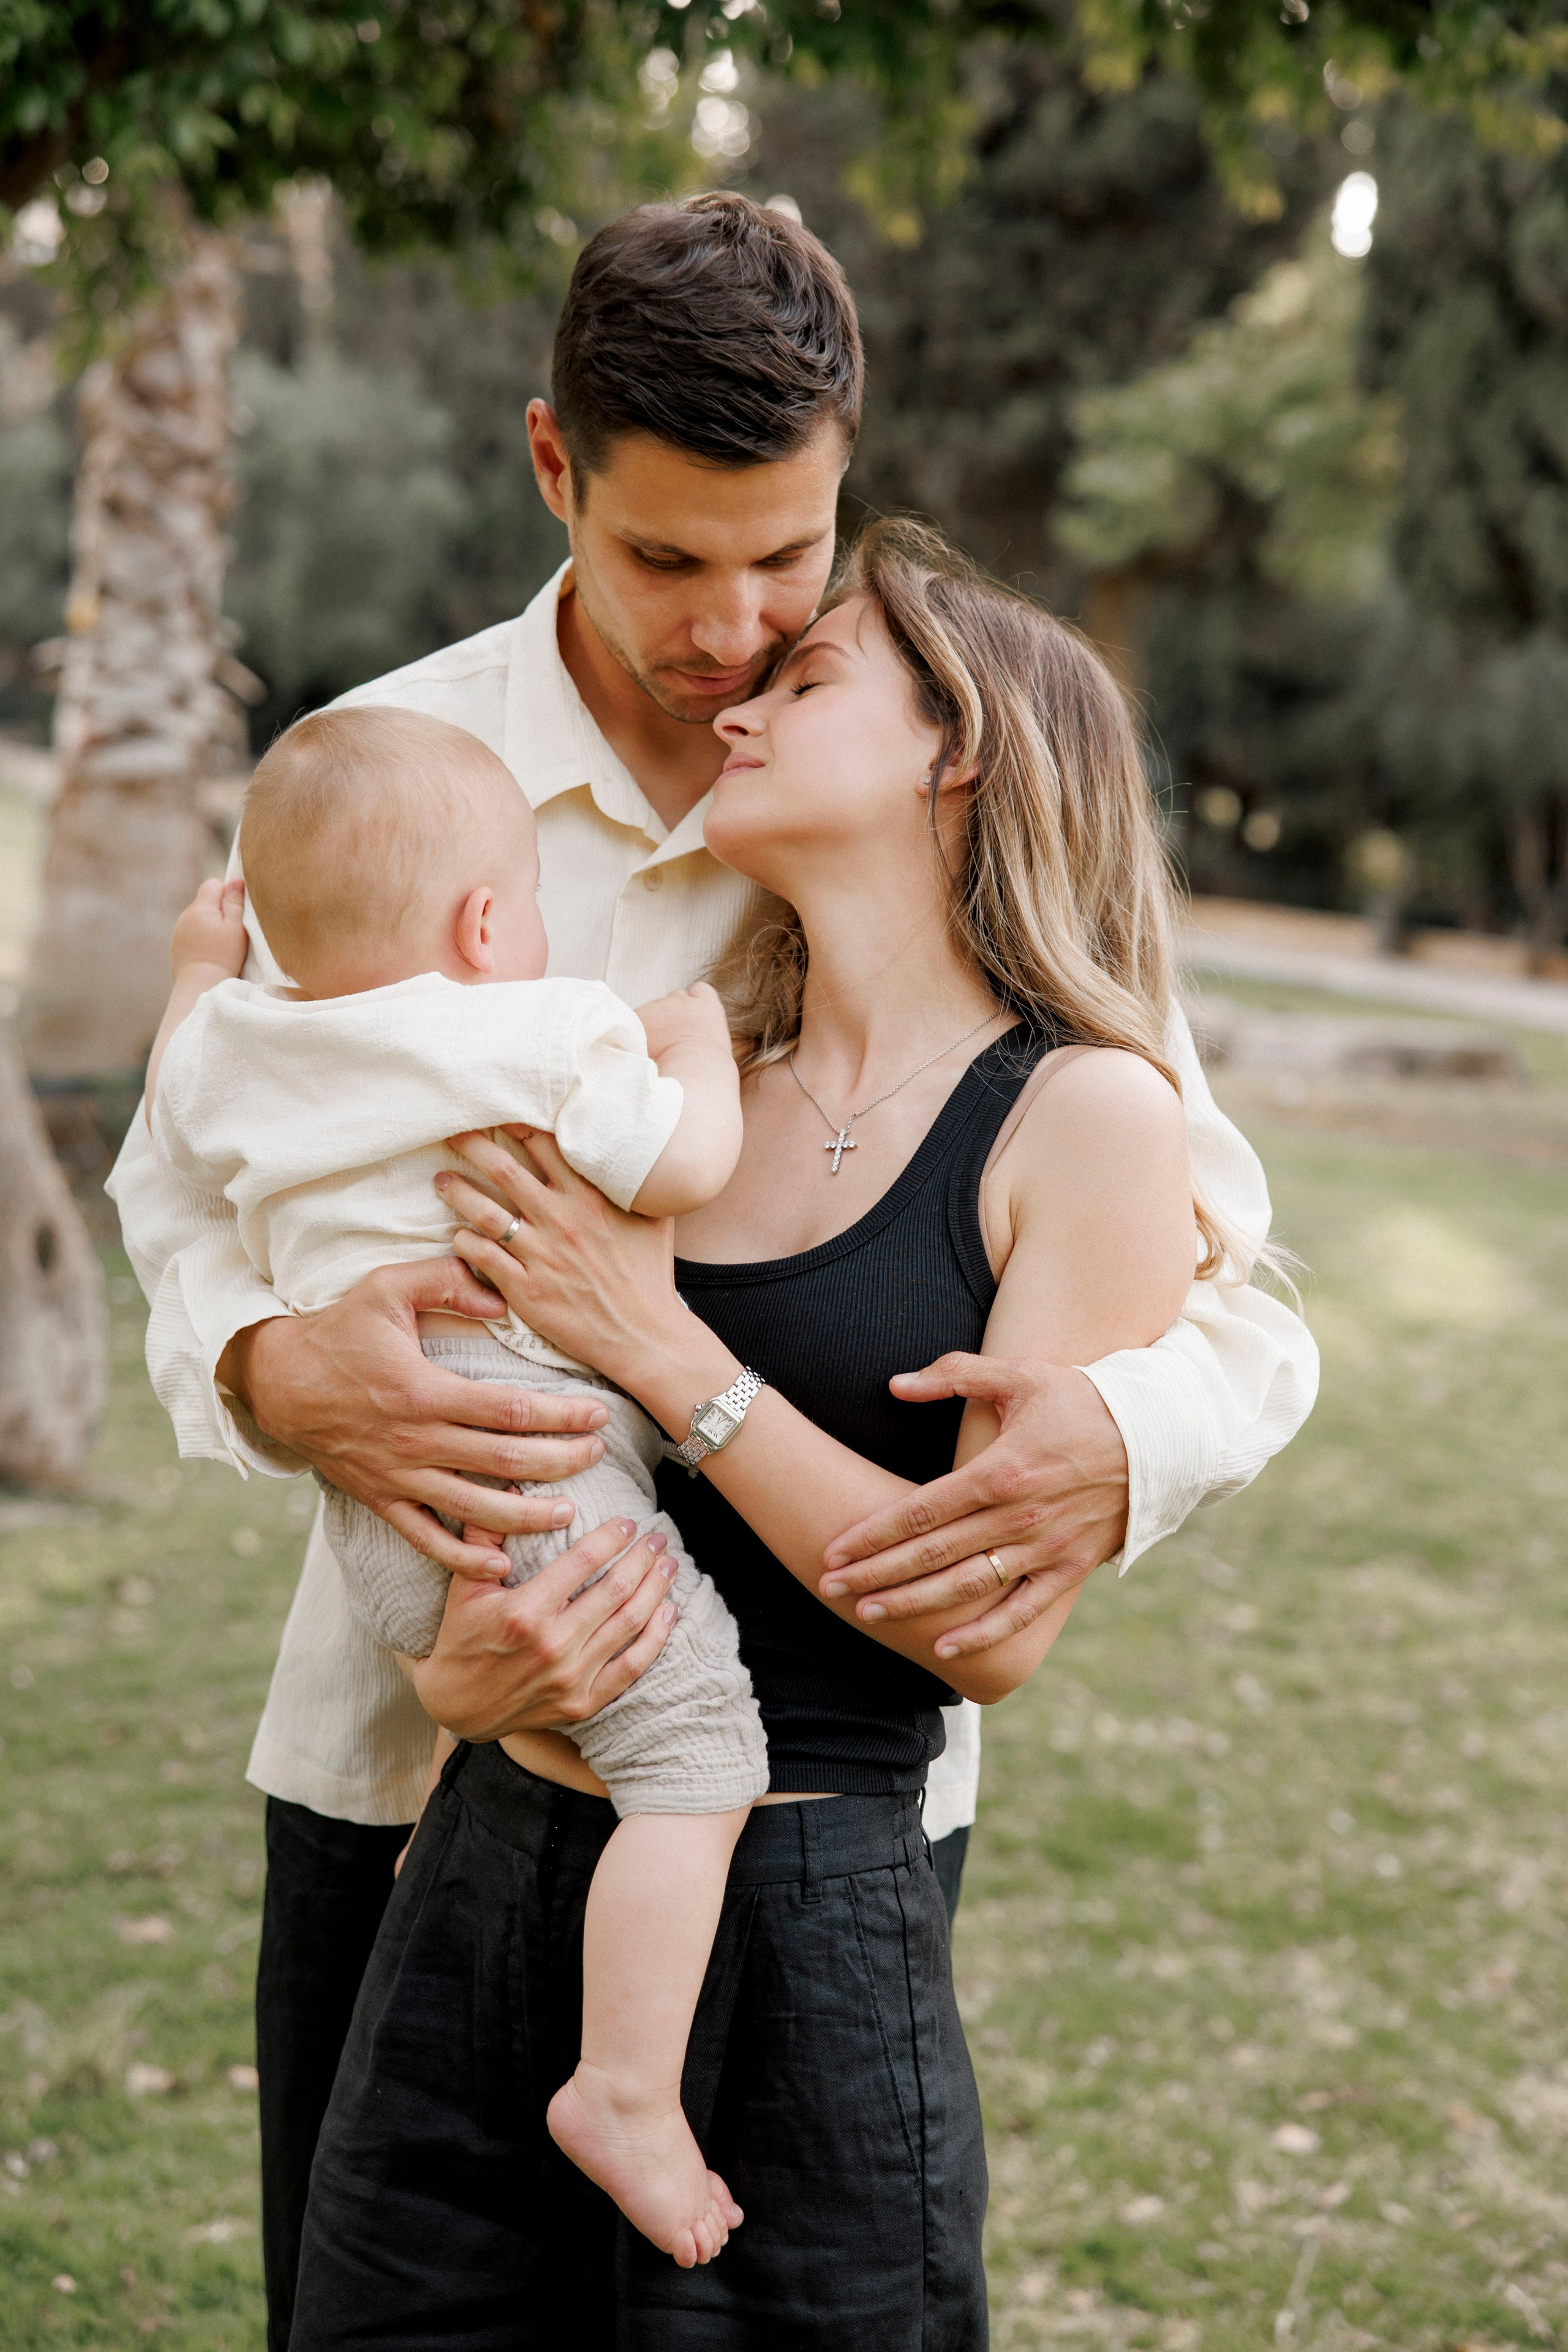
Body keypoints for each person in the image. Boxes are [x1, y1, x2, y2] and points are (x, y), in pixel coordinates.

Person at [106, 193, 1318, 2350]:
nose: (743, 629)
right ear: (557, 469)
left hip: (810, 1792)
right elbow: (192, 1176)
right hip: (405, 1764)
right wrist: (286, 1374)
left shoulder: (916, 770)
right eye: (672, 562)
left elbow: (1225, 1267)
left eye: (791, 557)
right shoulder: (384, 774)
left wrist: (1117, 1445)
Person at [288, 518, 1278, 2347]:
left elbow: (980, 1627)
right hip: (493, 1874)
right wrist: (465, 1673)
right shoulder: (671, 1092)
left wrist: (669, 1354)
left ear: (956, 745)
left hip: (804, 1924)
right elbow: (484, 1430)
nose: (742, 706)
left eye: (811, 678)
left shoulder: (1086, 1121)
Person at [147, 706, 773, 2266]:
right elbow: (682, 1166)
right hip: (533, 1472)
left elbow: (167, 1111)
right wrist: (687, 1040)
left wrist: (190, 981)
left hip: (385, 1527)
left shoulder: (234, 1047)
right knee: (700, 1758)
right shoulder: (543, 1027)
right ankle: (623, 2089)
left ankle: (476, 1875)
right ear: (489, 922)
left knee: (510, 1738)